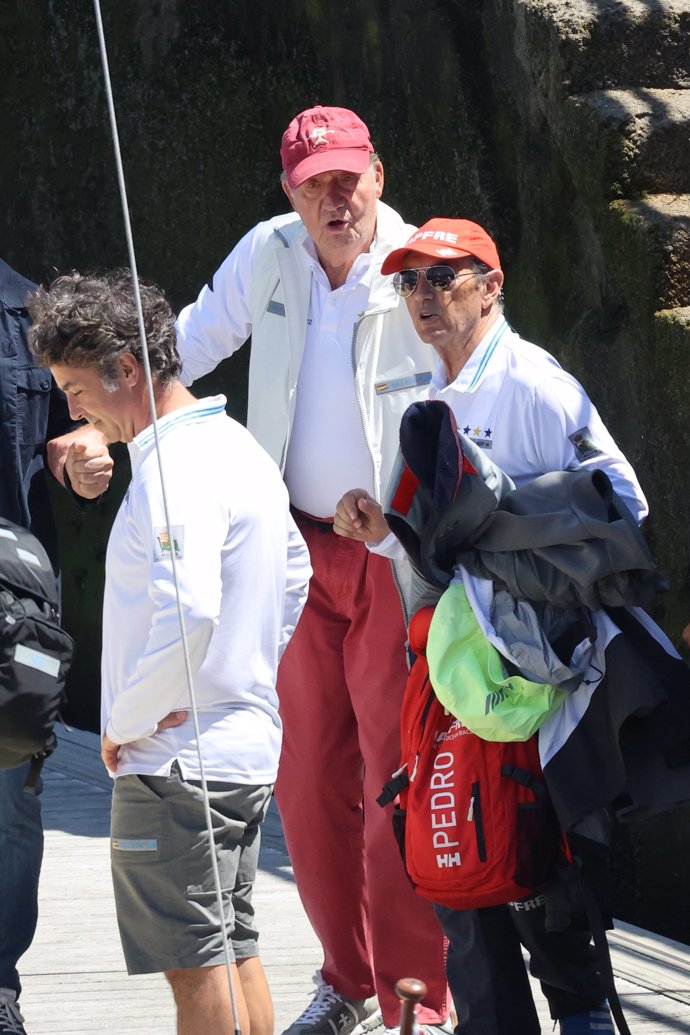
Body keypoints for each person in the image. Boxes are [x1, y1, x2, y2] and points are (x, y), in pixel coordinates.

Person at [174, 106, 451, 1035]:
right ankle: (347, 979)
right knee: (303, 781)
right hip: (292, 551)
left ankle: (419, 996)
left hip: (394, 554)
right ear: (290, 195)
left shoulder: (425, 266)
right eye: (314, 185)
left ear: (379, 174)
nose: (336, 200)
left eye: (348, 179)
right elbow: (189, 343)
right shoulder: (269, 252)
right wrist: (102, 413)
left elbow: (481, 380)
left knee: (395, 778)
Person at [334, 218, 649, 1035]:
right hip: (451, 680)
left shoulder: (534, 383)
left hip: (535, 687)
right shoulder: (427, 391)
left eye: (443, 277)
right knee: (459, 879)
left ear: (491, 285)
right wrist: (386, 531)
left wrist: (505, 525)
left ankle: (582, 1018)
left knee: (542, 874)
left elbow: (623, 502)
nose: (423, 295)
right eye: (409, 281)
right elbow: (438, 547)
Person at [27, 269, 311, 1035]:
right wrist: (243, 671)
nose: (73, 410)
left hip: (177, 762)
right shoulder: (238, 446)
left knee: (195, 964)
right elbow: (295, 571)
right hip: (238, 749)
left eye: (76, 388)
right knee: (231, 944)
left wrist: (126, 720)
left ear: (126, 369)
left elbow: (190, 609)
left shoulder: (174, 467)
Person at [0, 257, 113, 1035]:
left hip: (13, 607)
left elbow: (78, 423)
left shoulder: (27, 310)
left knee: (11, 797)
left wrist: (81, 452)